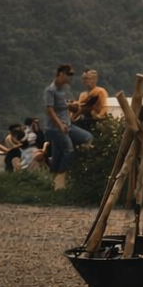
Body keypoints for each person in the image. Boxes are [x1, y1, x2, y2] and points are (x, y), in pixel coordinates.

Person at [43, 63, 94, 191]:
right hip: (55, 127)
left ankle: (56, 177)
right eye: (69, 74)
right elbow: (49, 110)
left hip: (68, 125)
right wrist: (60, 125)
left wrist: (74, 106)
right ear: (61, 74)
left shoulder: (65, 89)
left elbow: (68, 104)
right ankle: (60, 180)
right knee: (68, 149)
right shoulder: (50, 90)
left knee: (87, 137)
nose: (71, 77)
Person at [73, 69, 108, 134]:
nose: (85, 82)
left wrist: (99, 116)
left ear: (94, 79)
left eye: (87, 79)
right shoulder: (83, 95)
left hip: (94, 120)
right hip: (83, 121)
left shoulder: (100, 91)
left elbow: (104, 107)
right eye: (84, 79)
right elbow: (79, 109)